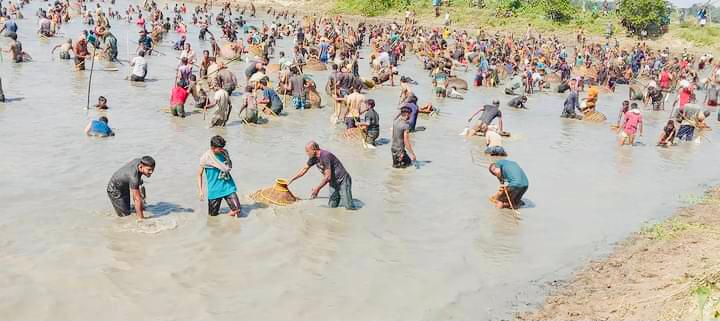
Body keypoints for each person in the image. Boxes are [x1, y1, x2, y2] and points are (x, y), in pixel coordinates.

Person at [288, 141, 354, 210]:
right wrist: (291, 179)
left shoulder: (325, 156)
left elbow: (328, 176)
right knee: (332, 205)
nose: (307, 153)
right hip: (333, 181)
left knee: (348, 206)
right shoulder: (313, 158)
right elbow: (304, 170)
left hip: (343, 180)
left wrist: (317, 189)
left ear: (314, 149)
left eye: (307, 151)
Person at [197, 135, 241, 217]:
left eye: (222, 148)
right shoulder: (205, 158)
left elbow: (228, 166)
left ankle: (229, 221)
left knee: (237, 210)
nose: (222, 150)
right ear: (213, 147)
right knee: (213, 217)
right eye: (219, 148)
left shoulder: (224, 153)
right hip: (214, 190)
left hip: (227, 186)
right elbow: (199, 174)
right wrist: (200, 191)